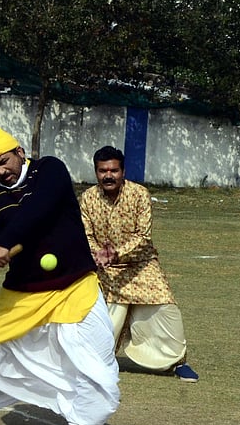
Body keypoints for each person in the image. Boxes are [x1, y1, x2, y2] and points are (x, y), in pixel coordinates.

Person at [0, 123, 120, 425]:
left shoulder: (50, 170)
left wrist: (4, 244)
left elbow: (36, 211)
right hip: (24, 290)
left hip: (74, 284)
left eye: (4, 161)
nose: (1, 170)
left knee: (94, 359)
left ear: (20, 153)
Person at [79, 146, 198, 382]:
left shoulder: (139, 194)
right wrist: (98, 255)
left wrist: (116, 254)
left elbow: (143, 236)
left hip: (141, 265)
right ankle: (94, 363)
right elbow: (86, 235)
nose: (108, 175)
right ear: (96, 172)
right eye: (103, 171)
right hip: (107, 270)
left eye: (113, 170)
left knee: (165, 309)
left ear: (123, 171)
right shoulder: (87, 198)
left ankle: (176, 363)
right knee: (106, 323)